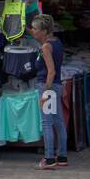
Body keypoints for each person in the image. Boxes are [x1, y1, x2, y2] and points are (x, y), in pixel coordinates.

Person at [29, 13, 67, 169]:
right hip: (56, 85)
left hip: (47, 86)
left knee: (47, 123)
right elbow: (57, 69)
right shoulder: (56, 42)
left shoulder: (45, 47)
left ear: (44, 31)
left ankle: (49, 158)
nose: (33, 31)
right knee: (58, 121)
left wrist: (45, 93)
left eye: (35, 29)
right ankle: (62, 156)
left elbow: (51, 71)